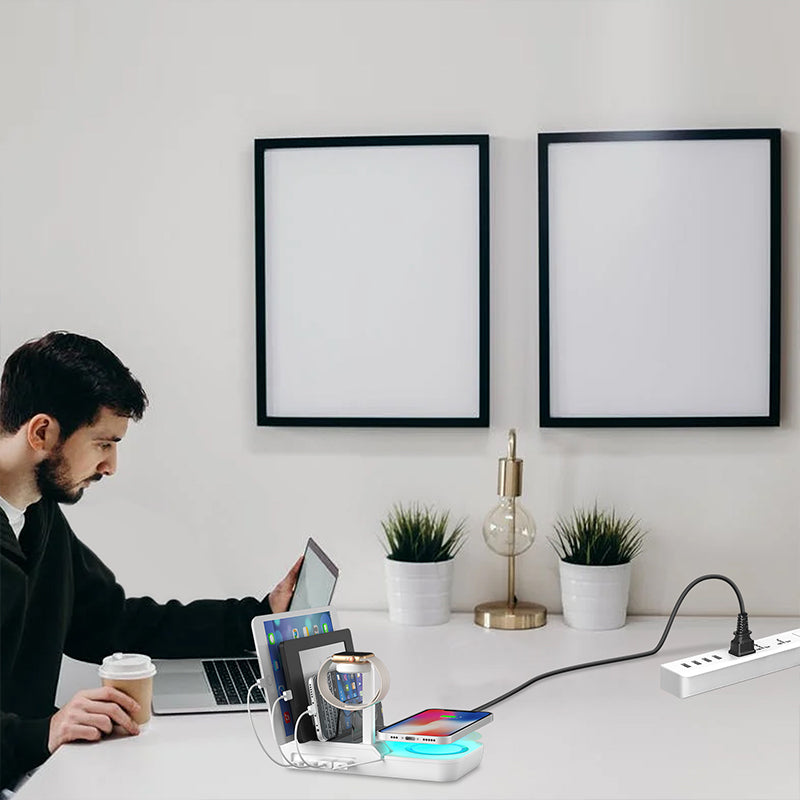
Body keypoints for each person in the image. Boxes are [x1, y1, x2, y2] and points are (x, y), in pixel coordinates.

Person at [0, 331, 302, 791]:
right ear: (42, 432)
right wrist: (40, 733)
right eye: (103, 443)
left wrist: (254, 617)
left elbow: (112, 623)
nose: (111, 466)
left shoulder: (39, 515)